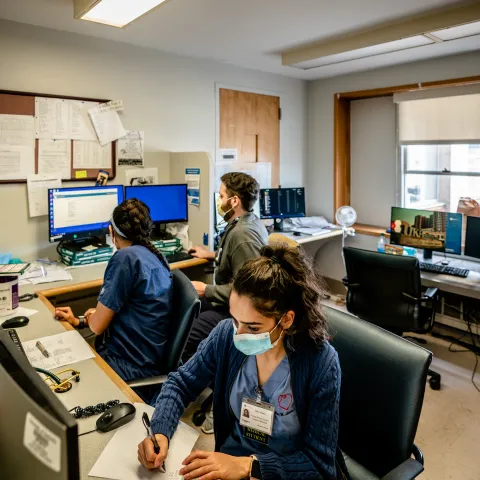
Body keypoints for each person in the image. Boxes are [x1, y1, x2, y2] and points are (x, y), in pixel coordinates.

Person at [138, 244, 345, 480]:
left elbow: (319, 467)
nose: (239, 334)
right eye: (235, 320)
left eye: (253, 327)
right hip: (226, 466)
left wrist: (249, 466)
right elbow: (180, 384)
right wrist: (160, 432)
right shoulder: (226, 335)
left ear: (286, 320)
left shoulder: (321, 363)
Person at [55, 199, 173, 404]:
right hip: (148, 359)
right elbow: (132, 309)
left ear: (112, 231)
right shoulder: (156, 256)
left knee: (63, 380)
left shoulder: (125, 258)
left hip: (127, 365)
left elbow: (98, 327)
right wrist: (81, 320)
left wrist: (91, 319)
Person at [183, 172, 268, 364]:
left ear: (234, 201)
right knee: (186, 309)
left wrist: (206, 290)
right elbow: (241, 258)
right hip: (230, 304)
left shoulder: (242, 235)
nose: (219, 201)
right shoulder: (246, 222)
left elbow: (250, 290)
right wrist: (212, 254)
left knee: (187, 337)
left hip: (239, 312)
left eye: (221, 196)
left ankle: (211, 387)